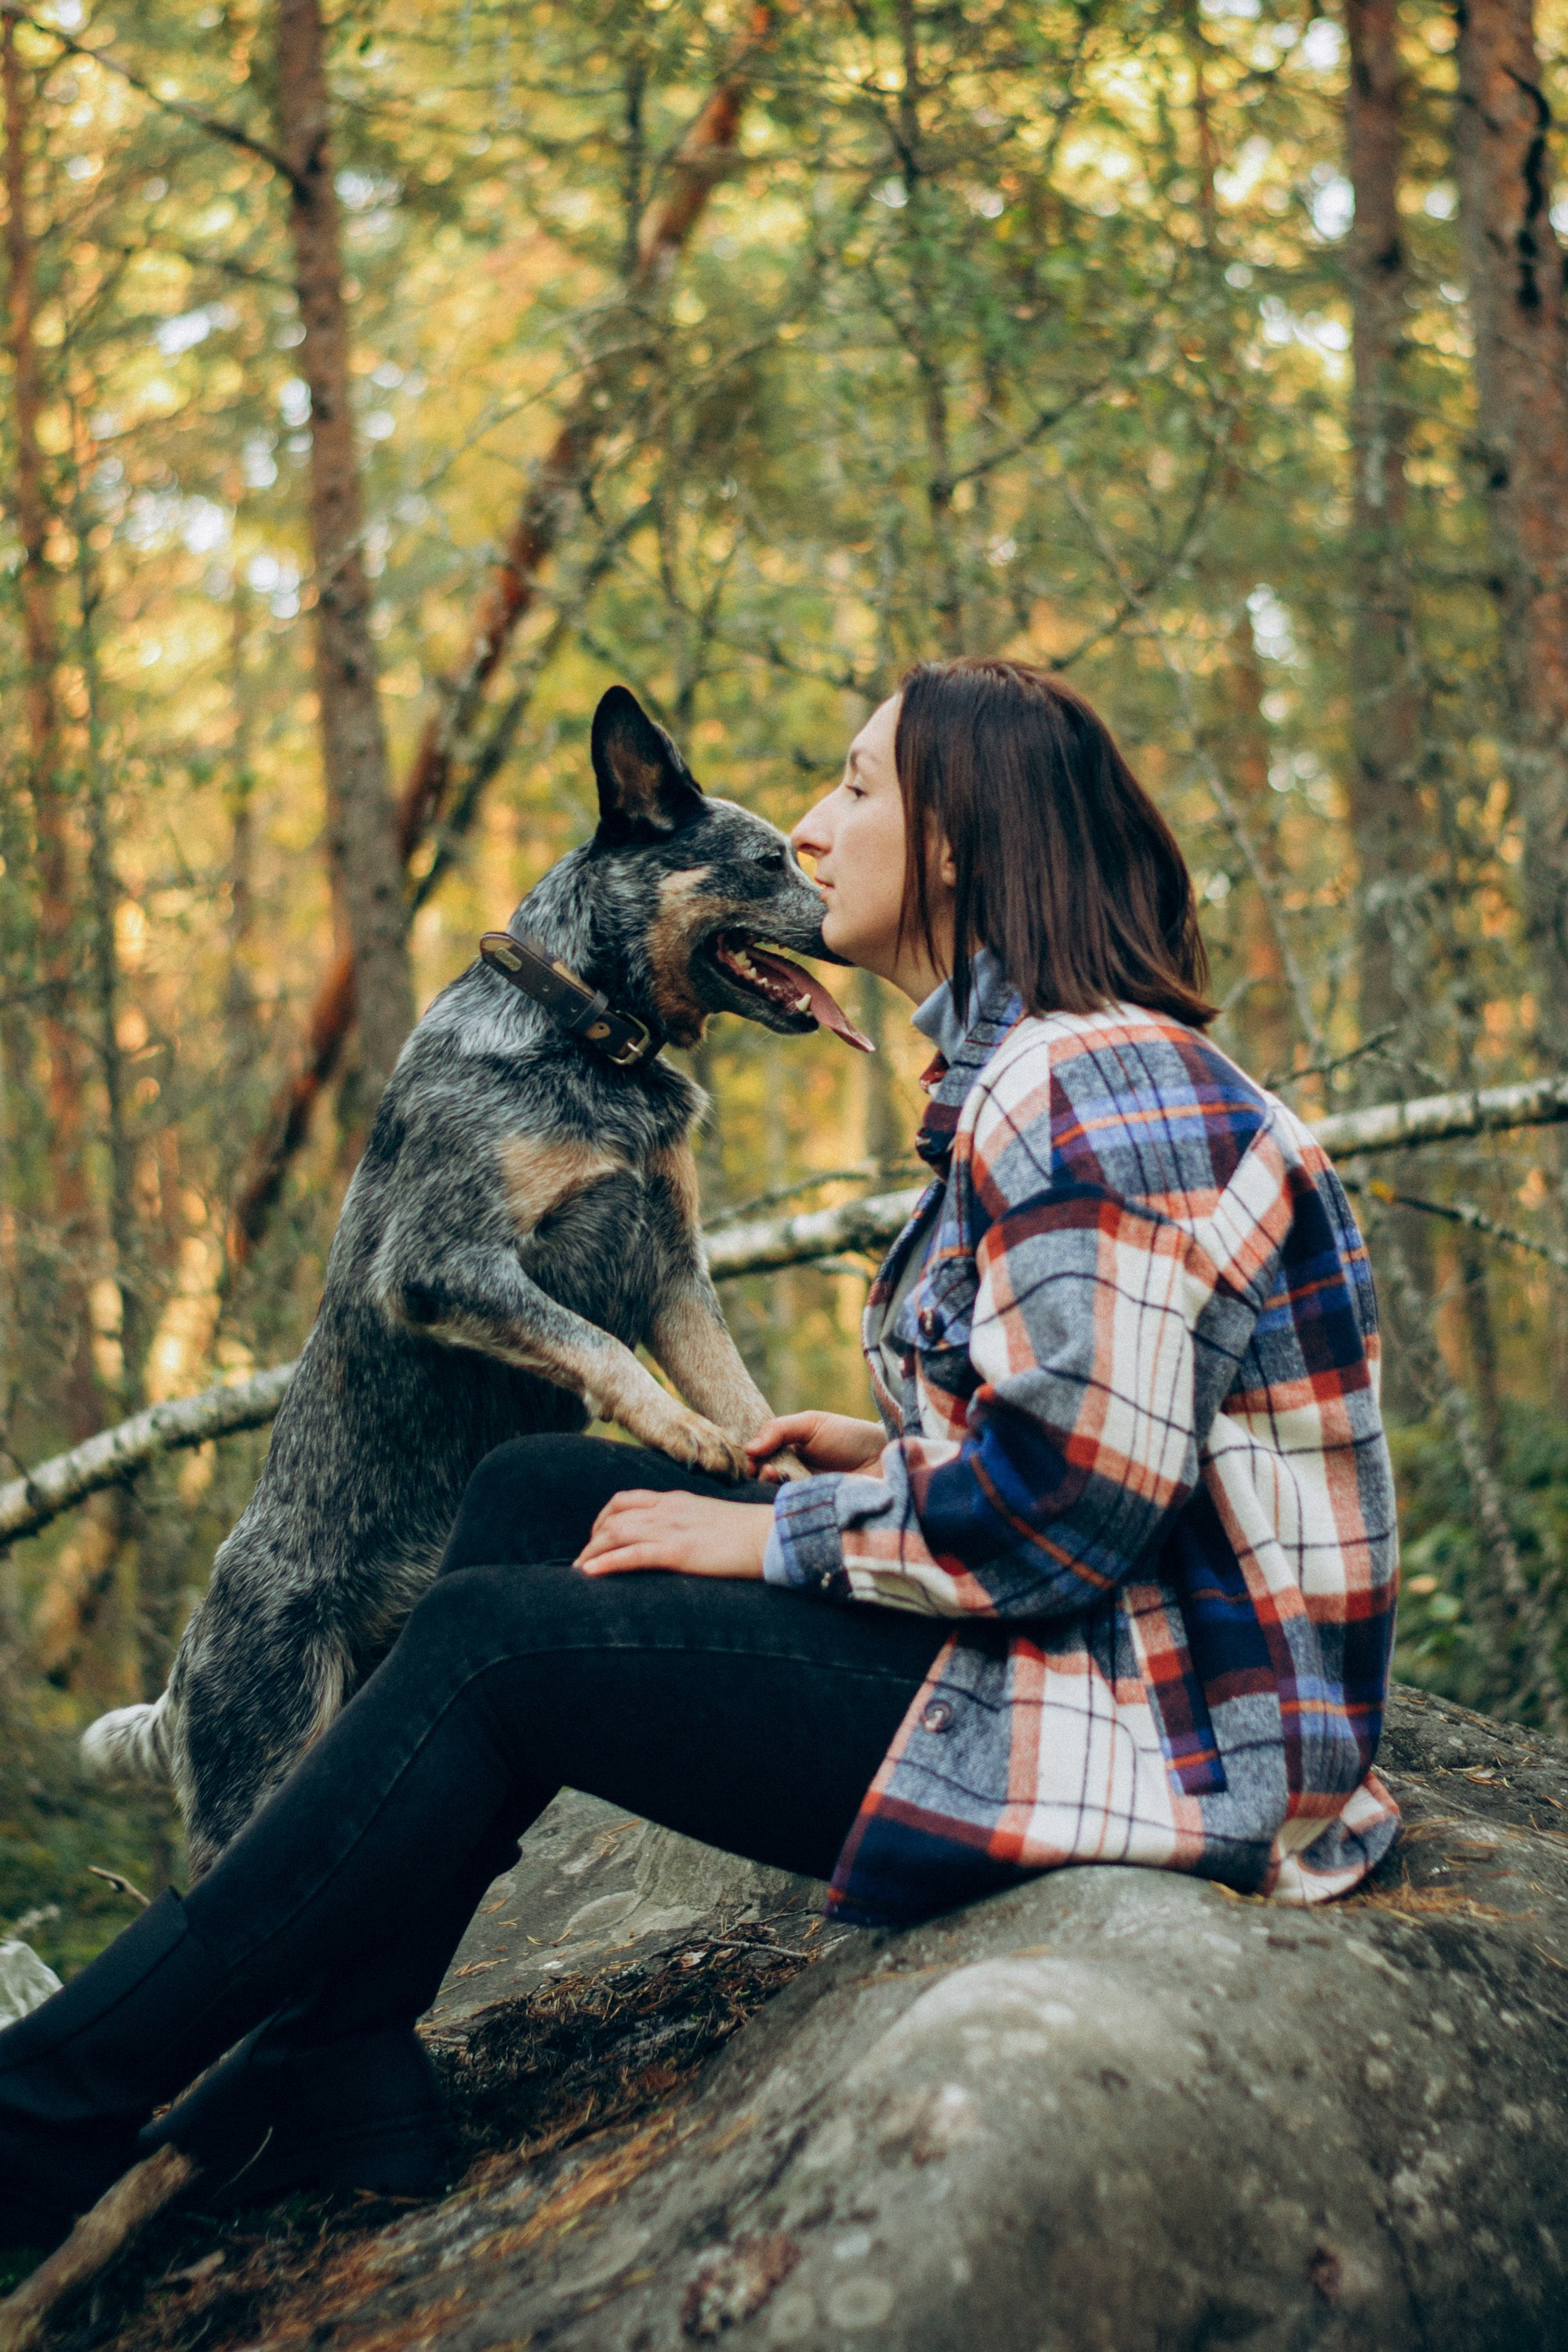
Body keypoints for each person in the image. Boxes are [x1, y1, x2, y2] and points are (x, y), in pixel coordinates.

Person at [0, 657, 1399, 2251]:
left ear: (954, 842)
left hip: (1150, 1737)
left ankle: (46, 2111)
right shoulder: (1047, 1072)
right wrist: (877, 1463)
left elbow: (1069, 1518)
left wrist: (775, 1539)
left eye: (856, 787)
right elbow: (1121, 1444)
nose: (812, 827)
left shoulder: (1096, 1089)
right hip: (1086, 1662)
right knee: (529, 1493)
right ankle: (340, 2058)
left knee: (492, 1651)